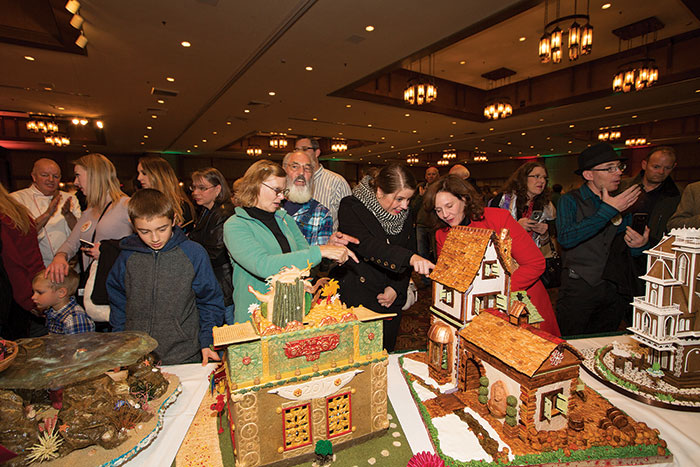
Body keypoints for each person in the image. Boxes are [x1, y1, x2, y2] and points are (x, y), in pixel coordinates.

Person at [424, 175, 560, 337]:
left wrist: (493, 295)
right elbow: (452, 277)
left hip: (520, 301)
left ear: (465, 199)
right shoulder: (442, 234)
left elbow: (535, 263)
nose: (445, 214)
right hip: (476, 309)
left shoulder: (497, 218)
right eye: (438, 210)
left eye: (449, 206)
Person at [223, 160, 356, 322]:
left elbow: (306, 260)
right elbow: (263, 265)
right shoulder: (236, 225)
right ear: (255, 186)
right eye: (276, 190)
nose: (282, 196)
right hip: (257, 318)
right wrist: (320, 250)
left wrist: (328, 247)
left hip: (293, 314)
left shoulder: (284, 219)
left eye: (283, 190)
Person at [107, 189, 225, 365]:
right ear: (133, 225)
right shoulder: (127, 257)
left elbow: (210, 301)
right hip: (138, 357)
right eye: (144, 231)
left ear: (174, 220)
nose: (154, 238)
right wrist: (120, 343)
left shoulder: (193, 253)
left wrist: (207, 340)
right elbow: (118, 304)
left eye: (162, 229)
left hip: (184, 354)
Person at [334, 164, 435, 351]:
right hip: (359, 295)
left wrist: (396, 288)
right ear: (380, 191)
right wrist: (410, 258)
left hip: (390, 297)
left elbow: (408, 248)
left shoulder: (405, 213)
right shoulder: (351, 206)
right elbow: (367, 245)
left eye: (408, 199)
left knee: (385, 353)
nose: (405, 206)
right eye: (399, 198)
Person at [555, 143, 648, 337]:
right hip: (579, 286)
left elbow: (626, 247)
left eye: (619, 167)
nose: (618, 173)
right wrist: (608, 211)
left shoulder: (623, 201)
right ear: (589, 175)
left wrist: (639, 245)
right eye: (609, 168)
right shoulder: (570, 200)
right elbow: (566, 238)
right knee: (571, 342)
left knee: (604, 343)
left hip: (614, 287)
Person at [46, 154, 132, 283]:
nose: (75, 182)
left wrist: (108, 253)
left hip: (118, 283)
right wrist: (60, 256)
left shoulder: (127, 205)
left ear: (94, 174)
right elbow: (71, 243)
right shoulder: (88, 212)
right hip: (92, 283)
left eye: (78, 175)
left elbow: (140, 246)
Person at [11, 158, 82, 267]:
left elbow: (80, 233)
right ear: (34, 177)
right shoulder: (17, 199)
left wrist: (68, 215)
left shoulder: (70, 198)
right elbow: (20, 235)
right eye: (44, 175)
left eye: (55, 176)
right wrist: (48, 214)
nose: (51, 179)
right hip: (35, 266)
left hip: (68, 265)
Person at [188, 168, 236, 325]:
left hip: (223, 284)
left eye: (202, 188)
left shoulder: (223, 213)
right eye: (194, 187)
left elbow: (215, 253)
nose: (196, 192)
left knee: (230, 334)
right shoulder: (207, 211)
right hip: (215, 281)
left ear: (218, 189)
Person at [0, 183, 45, 339]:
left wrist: (29, 299)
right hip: (31, 289)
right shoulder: (16, 211)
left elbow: (12, 263)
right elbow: (32, 255)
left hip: (16, 298)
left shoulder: (4, 218)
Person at [490, 161, 555, 253]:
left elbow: (548, 243)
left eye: (544, 177)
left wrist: (544, 234)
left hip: (532, 258)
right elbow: (489, 232)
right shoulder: (503, 200)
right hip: (505, 258)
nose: (542, 181)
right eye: (536, 176)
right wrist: (515, 227)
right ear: (523, 178)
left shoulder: (546, 205)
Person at [294, 137, 351, 231]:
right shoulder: (291, 181)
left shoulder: (336, 182)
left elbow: (349, 220)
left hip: (326, 241)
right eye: (296, 150)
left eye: (304, 149)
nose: (299, 153)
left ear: (317, 153)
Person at [281, 149, 333, 246]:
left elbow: (322, 257)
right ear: (284, 170)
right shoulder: (269, 206)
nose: (301, 173)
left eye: (307, 168)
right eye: (295, 167)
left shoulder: (321, 214)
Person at [136, 156, 195, 233]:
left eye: (144, 173)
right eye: (139, 173)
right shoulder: (141, 203)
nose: (139, 178)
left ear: (158, 175)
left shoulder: (182, 206)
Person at [32, 269, 94, 335]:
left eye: (40, 292)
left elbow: (78, 344)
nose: (33, 297)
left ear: (61, 293)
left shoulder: (75, 319)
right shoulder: (52, 311)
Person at [412, 167, 440, 287]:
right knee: (422, 253)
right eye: (429, 174)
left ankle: (438, 280)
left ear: (438, 175)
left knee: (436, 254)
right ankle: (425, 280)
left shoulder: (440, 188)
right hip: (421, 225)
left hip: (435, 225)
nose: (431, 176)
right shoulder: (420, 187)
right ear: (425, 176)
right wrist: (421, 196)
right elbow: (413, 207)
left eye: (433, 174)